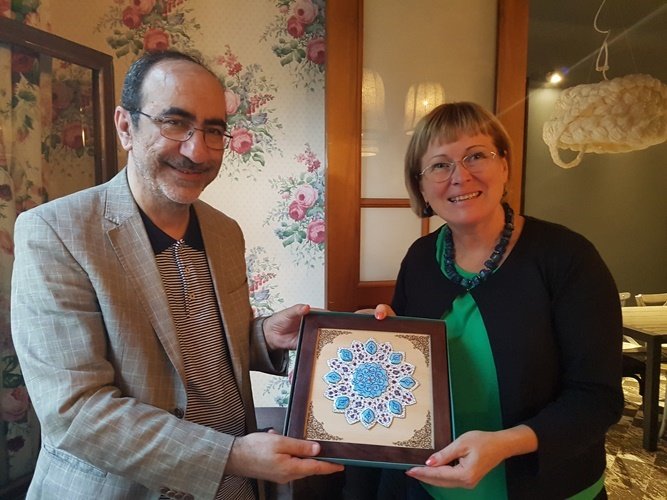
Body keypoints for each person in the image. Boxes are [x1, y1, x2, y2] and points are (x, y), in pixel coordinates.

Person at [10, 50, 342, 500]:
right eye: (174, 123)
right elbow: (75, 411)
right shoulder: (56, 232)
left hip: (236, 489)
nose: (197, 151)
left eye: (213, 131)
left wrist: (264, 337)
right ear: (125, 127)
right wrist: (231, 456)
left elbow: (198, 348)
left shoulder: (224, 232)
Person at [368, 102, 623, 499]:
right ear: (421, 187)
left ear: (504, 165)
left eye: (476, 156)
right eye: (439, 165)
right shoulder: (420, 258)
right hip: (433, 485)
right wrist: (378, 339)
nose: (460, 176)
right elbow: (408, 375)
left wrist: (505, 444)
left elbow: (597, 398)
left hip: (550, 487)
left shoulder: (567, 257)